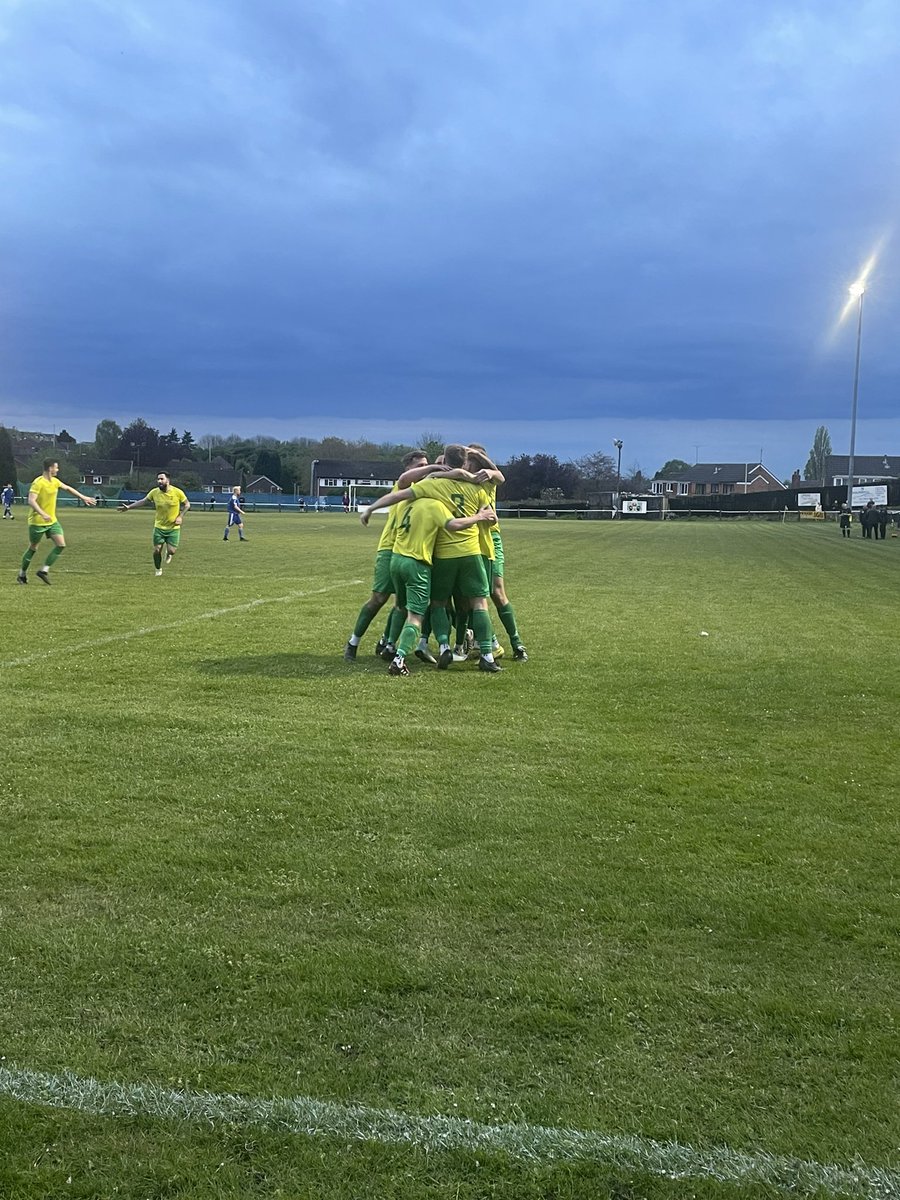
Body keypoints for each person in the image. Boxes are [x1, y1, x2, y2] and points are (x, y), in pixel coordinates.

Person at [360, 494, 497, 675]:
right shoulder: (436, 504)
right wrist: (479, 516)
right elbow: (454, 525)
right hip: (421, 561)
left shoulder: (405, 503)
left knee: (403, 606)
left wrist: (370, 508)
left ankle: (392, 644)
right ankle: (401, 658)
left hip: (396, 559)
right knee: (420, 614)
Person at [343, 451, 444, 662]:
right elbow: (404, 480)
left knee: (402, 603)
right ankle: (353, 642)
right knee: (378, 598)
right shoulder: (404, 486)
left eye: (426, 464)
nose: (424, 469)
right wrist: (434, 468)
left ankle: (388, 643)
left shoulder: (421, 490)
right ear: (408, 468)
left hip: (407, 551)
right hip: (389, 549)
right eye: (419, 465)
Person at [16, 459, 97, 585]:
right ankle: (22, 574)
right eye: (56, 467)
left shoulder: (55, 481)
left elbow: (68, 488)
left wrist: (83, 497)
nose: (58, 470)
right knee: (33, 548)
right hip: (37, 522)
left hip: (52, 521)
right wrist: (42, 513)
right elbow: (31, 500)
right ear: (50, 468)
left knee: (61, 545)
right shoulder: (38, 482)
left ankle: (43, 570)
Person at [119, 472, 190, 575]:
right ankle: (158, 569)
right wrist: (129, 507)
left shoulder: (177, 492)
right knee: (157, 550)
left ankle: (169, 553)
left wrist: (180, 516)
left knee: (172, 551)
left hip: (173, 528)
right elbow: (143, 501)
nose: (159, 481)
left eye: (161, 479)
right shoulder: (154, 492)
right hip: (159, 527)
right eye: (158, 479)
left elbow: (187, 504)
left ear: (168, 480)